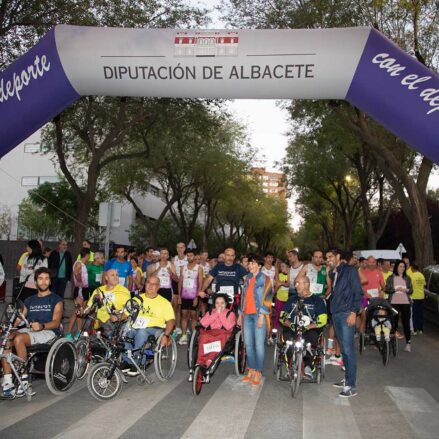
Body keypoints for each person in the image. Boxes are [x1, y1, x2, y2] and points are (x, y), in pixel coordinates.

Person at [1, 267, 63, 397]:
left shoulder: (56, 300)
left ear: (50, 281)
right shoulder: (29, 300)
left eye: (46, 278)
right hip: (30, 331)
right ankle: (8, 383)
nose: (44, 281)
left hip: (48, 331)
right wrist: (10, 326)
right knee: (6, 338)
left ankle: (23, 379)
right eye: (40, 279)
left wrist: (41, 326)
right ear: (35, 282)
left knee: (19, 339)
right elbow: (19, 320)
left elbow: (56, 322)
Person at [326, 249, 362, 398]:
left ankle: (351, 386)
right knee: (344, 349)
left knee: (348, 350)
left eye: (330, 257)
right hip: (337, 314)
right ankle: (347, 379)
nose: (327, 259)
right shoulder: (334, 273)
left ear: (338, 257)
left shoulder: (350, 270)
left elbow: (357, 291)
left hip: (347, 313)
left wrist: (354, 312)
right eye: (326, 258)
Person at [121, 275, 175, 376]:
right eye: (148, 283)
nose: (150, 286)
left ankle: (137, 363)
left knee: (142, 332)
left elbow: (171, 321)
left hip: (154, 329)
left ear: (158, 287)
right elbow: (125, 314)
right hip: (135, 326)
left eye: (154, 284)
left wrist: (166, 335)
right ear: (145, 284)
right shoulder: (137, 299)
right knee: (125, 330)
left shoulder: (164, 303)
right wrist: (118, 317)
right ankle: (127, 361)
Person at [280, 276, 327, 379]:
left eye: (298, 283)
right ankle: (290, 367)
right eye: (295, 283)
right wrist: (290, 324)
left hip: (310, 328)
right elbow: (282, 316)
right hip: (293, 327)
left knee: (312, 338)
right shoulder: (291, 299)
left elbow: (323, 319)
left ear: (307, 284)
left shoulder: (317, 300)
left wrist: (309, 326)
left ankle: (308, 367)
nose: (296, 286)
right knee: (287, 339)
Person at [239, 255, 273, 386]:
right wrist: (239, 314)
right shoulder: (246, 279)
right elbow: (243, 297)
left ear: (259, 265)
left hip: (259, 315)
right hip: (246, 315)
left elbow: (268, 298)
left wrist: (261, 315)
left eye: (253, 264)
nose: (250, 266)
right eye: (249, 264)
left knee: (259, 346)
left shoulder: (265, 279)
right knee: (248, 345)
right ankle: (251, 369)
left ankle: (258, 371)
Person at [84, 268, 131, 335]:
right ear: (106, 278)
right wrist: (83, 311)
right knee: (88, 322)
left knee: (108, 325)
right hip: (98, 319)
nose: (115, 277)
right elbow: (89, 307)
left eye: (117, 275)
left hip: (114, 320)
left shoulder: (124, 291)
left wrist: (118, 317)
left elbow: (128, 310)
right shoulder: (99, 290)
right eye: (112, 275)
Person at [385, 260, 413, 352]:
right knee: (394, 322)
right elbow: (387, 289)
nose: (402, 268)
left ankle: (408, 343)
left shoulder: (407, 278)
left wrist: (406, 290)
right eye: (400, 266)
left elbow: (411, 290)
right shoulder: (391, 277)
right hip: (394, 303)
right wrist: (395, 289)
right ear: (396, 267)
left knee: (406, 323)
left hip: (405, 303)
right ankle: (392, 342)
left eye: (404, 267)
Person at [178, 250, 203, 345]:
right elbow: (180, 282)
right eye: (187, 256)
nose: (189, 257)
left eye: (191, 255)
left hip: (194, 296)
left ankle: (194, 337)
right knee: (184, 315)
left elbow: (200, 283)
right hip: (184, 296)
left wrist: (197, 297)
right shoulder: (183, 268)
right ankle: (184, 335)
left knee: (193, 316)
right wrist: (179, 296)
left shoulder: (199, 268)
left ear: (194, 256)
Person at [65, 248, 90, 341]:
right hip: (80, 289)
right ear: (87, 255)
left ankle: (78, 332)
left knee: (80, 313)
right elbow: (76, 273)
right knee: (76, 312)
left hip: (84, 289)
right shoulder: (78, 263)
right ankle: (68, 333)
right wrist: (80, 284)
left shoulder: (83, 264)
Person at [359, 256, 385, 333]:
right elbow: (358, 286)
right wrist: (365, 293)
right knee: (364, 317)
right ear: (367, 262)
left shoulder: (379, 272)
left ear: (376, 263)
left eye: (373, 262)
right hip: (365, 299)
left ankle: (376, 334)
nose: (371, 264)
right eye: (370, 262)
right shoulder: (362, 272)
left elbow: (383, 286)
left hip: (376, 298)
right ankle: (361, 339)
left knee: (378, 316)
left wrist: (382, 291)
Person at [410, 263, 426, 335]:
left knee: (414, 314)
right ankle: (421, 329)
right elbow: (424, 284)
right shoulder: (421, 275)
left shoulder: (412, 276)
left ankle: (415, 330)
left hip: (414, 297)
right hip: (421, 297)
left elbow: (409, 286)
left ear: (412, 268)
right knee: (420, 314)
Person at [273, 261, 290, 330]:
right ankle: (275, 330)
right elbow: (276, 284)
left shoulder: (290, 276)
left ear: (288, 267)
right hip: (279, 298)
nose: (281, 268)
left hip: (287, 300)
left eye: (283, 266)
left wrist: (282, 283)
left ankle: (285, 330)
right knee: (277, 315)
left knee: (286, 316)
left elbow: (288, 284)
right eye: (280, 267)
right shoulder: (279, 275)